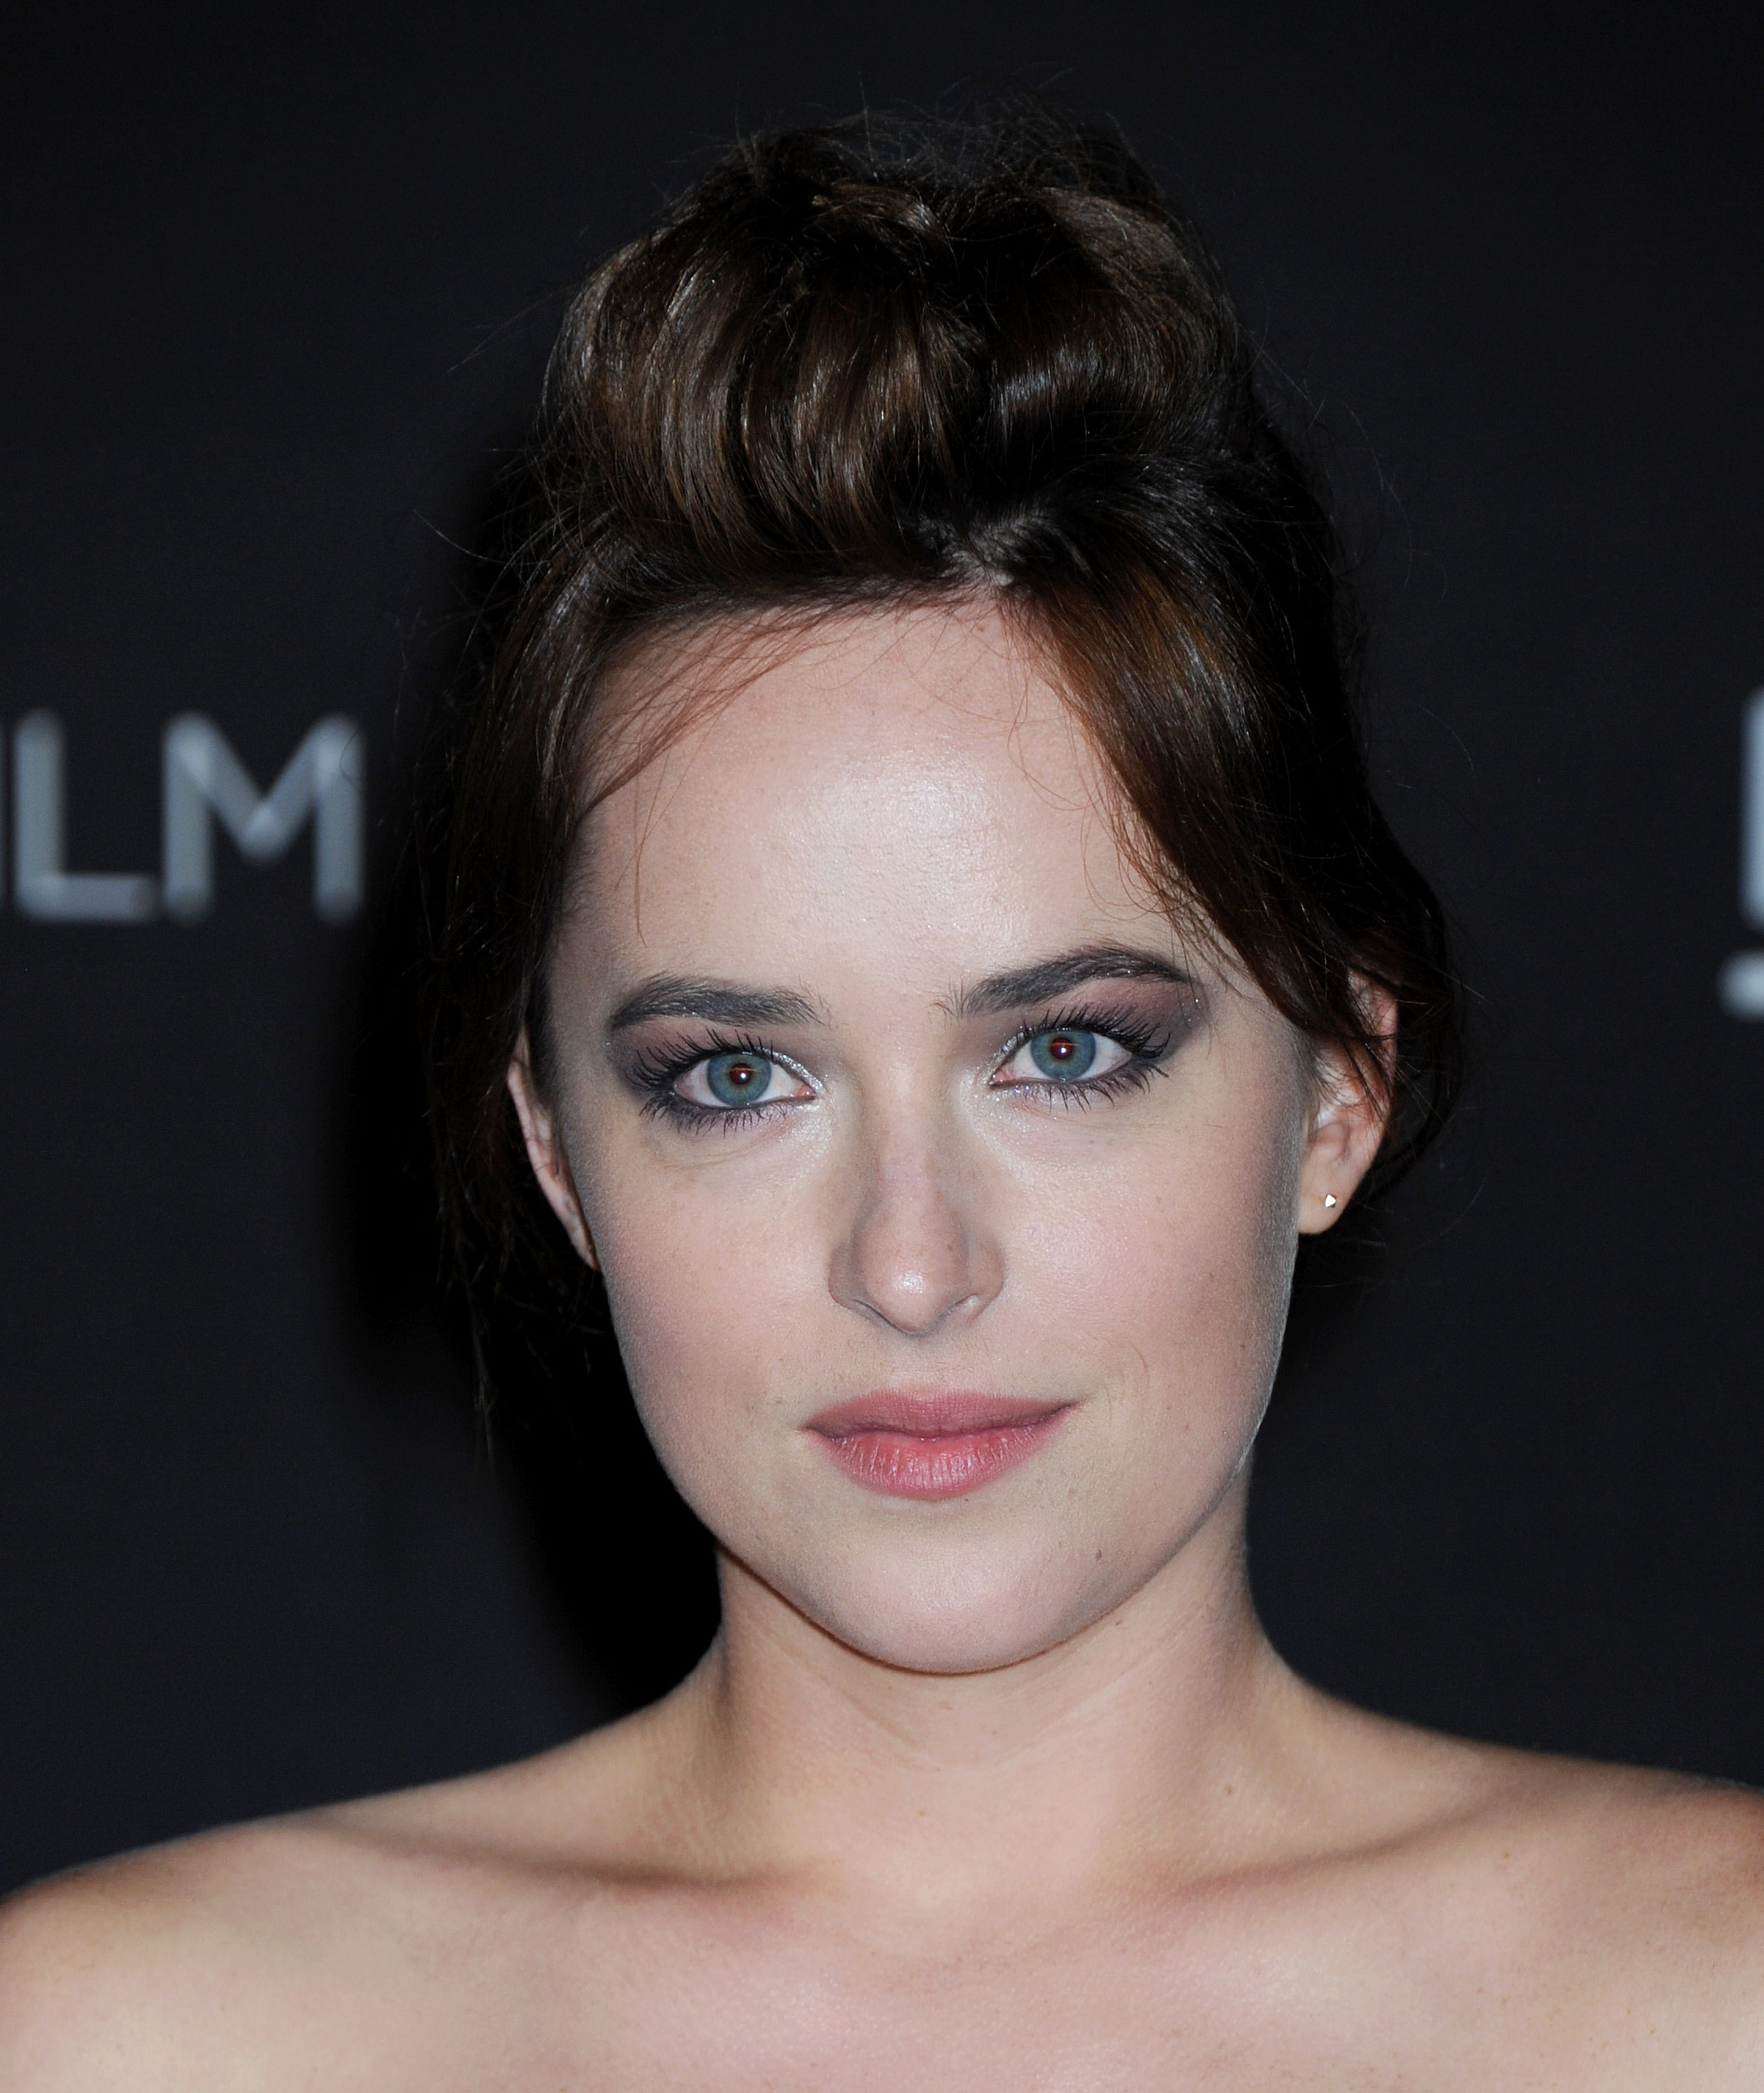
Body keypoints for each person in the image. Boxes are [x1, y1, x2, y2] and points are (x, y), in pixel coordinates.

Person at [3, 102, 1761, 2090]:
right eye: (737, 1076)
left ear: (1341, 1089)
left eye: (1067, 1050)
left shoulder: (1712, 2006)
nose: (912, 1266)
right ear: (559, 1150)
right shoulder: (135, 2042)